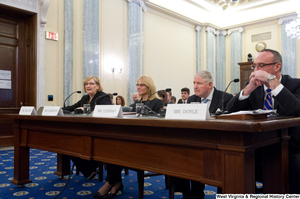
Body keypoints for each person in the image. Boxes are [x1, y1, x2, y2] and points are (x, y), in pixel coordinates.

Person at [226, 49, 300, 194]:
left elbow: (296, 109)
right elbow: (230, 111)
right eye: (255, 66)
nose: (256, 70)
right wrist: (248, 89)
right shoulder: (255, 88)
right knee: (231, 162)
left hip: (290, 147)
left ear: (277, 66)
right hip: (258, 146)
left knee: (297, 166)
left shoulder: (295, 85)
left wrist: (271, 81)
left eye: (261, 65)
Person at [93, 75, 163, 199]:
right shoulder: (138, 102)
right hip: (134, 139)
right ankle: (115, 183)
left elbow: (158, 124)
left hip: (147, 142)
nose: (139, 87)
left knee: (119, 150)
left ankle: (112, 183)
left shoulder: (157, 102)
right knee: (113, 149)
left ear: (149, 86)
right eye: (137, 85)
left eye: (141, 85)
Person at [174, 70, 233, 199]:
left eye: (199, 83)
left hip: (217, 145)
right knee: (178, 159)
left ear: (210, 84)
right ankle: (189, 194)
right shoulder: (192, 99)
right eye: (194, 83)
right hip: (195, 144)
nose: (195, 86)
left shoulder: (225, 98)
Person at [62, 76, 112, 179]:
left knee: (76, 143)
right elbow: (73, 107)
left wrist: (85, 110)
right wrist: (59, 109)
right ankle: (90, 169)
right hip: (85, 130)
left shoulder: (103, 97)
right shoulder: (85, 98)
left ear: (98, 86)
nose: (88, 86)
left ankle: (92, 168)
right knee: (67, 144)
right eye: (86, 84)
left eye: (91, 83)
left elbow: (105, 111)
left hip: (99, 131)